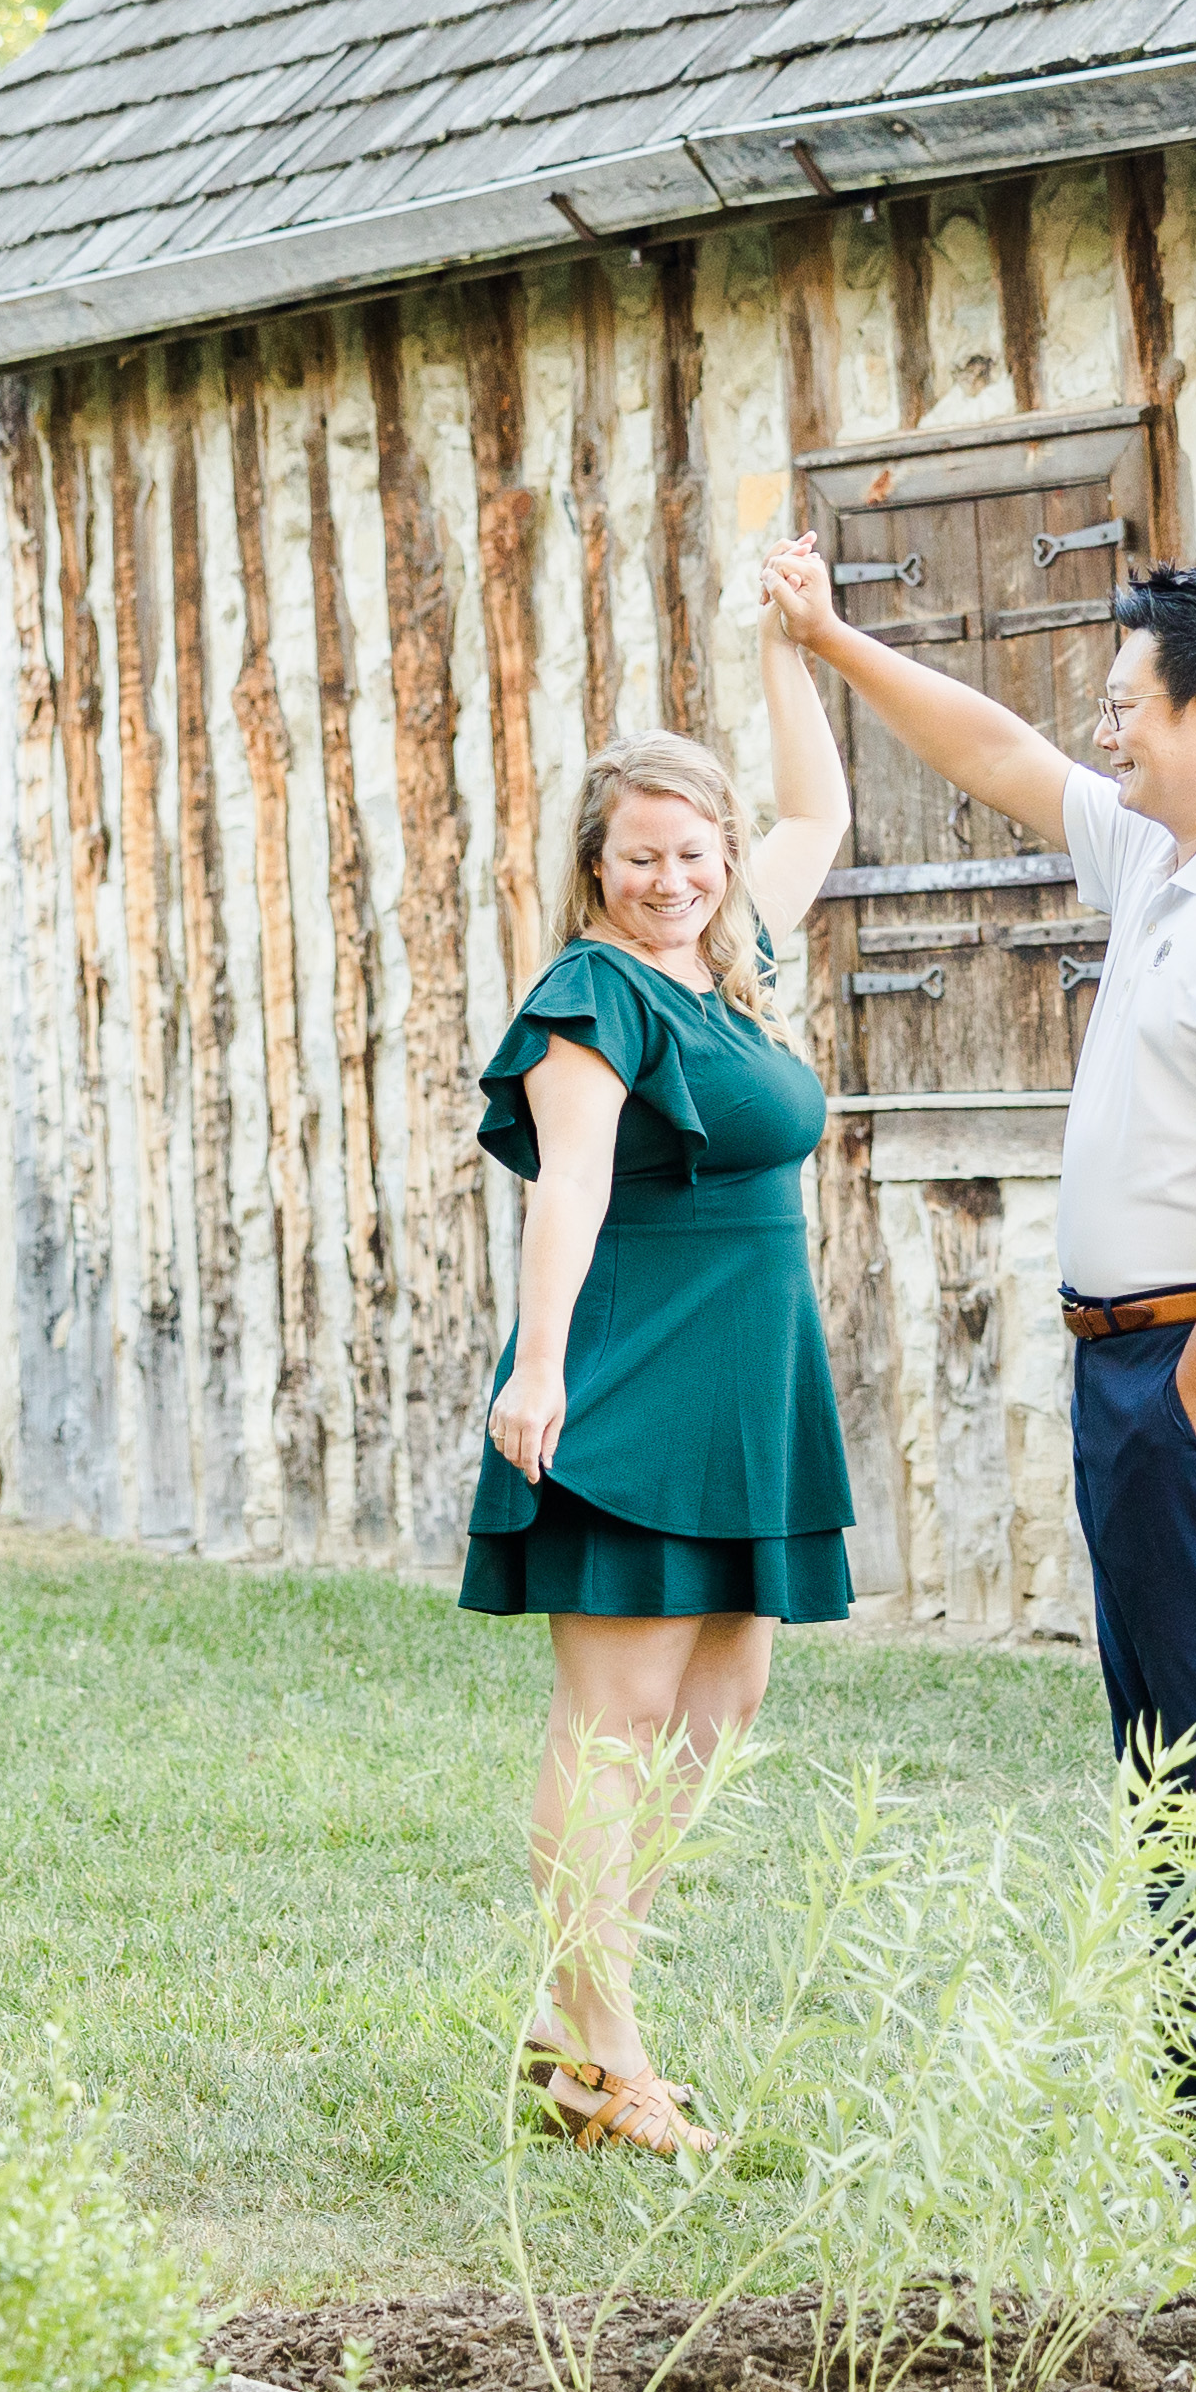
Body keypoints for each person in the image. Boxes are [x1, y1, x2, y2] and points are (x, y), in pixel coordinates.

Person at [760, 542, 1196, 2123]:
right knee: (1170, 1738)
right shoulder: (1171, 854)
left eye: (1128, 706)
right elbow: (997, 756)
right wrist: (831, 642)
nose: (1103, 731)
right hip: (1140, 1361)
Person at [467, 566, 852, 2160]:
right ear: (593, 865)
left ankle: (574, 2015)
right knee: (614, 1711)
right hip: (631, 1357)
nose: (671, 879)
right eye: (640, 857)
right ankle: (606, 2050)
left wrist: (787, 646)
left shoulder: (732, 954)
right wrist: (538, 1371)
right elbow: (564, 1191)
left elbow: (819, 809)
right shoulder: (592, 996)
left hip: (749, 1371)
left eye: (693, 853)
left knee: (724, 1696)